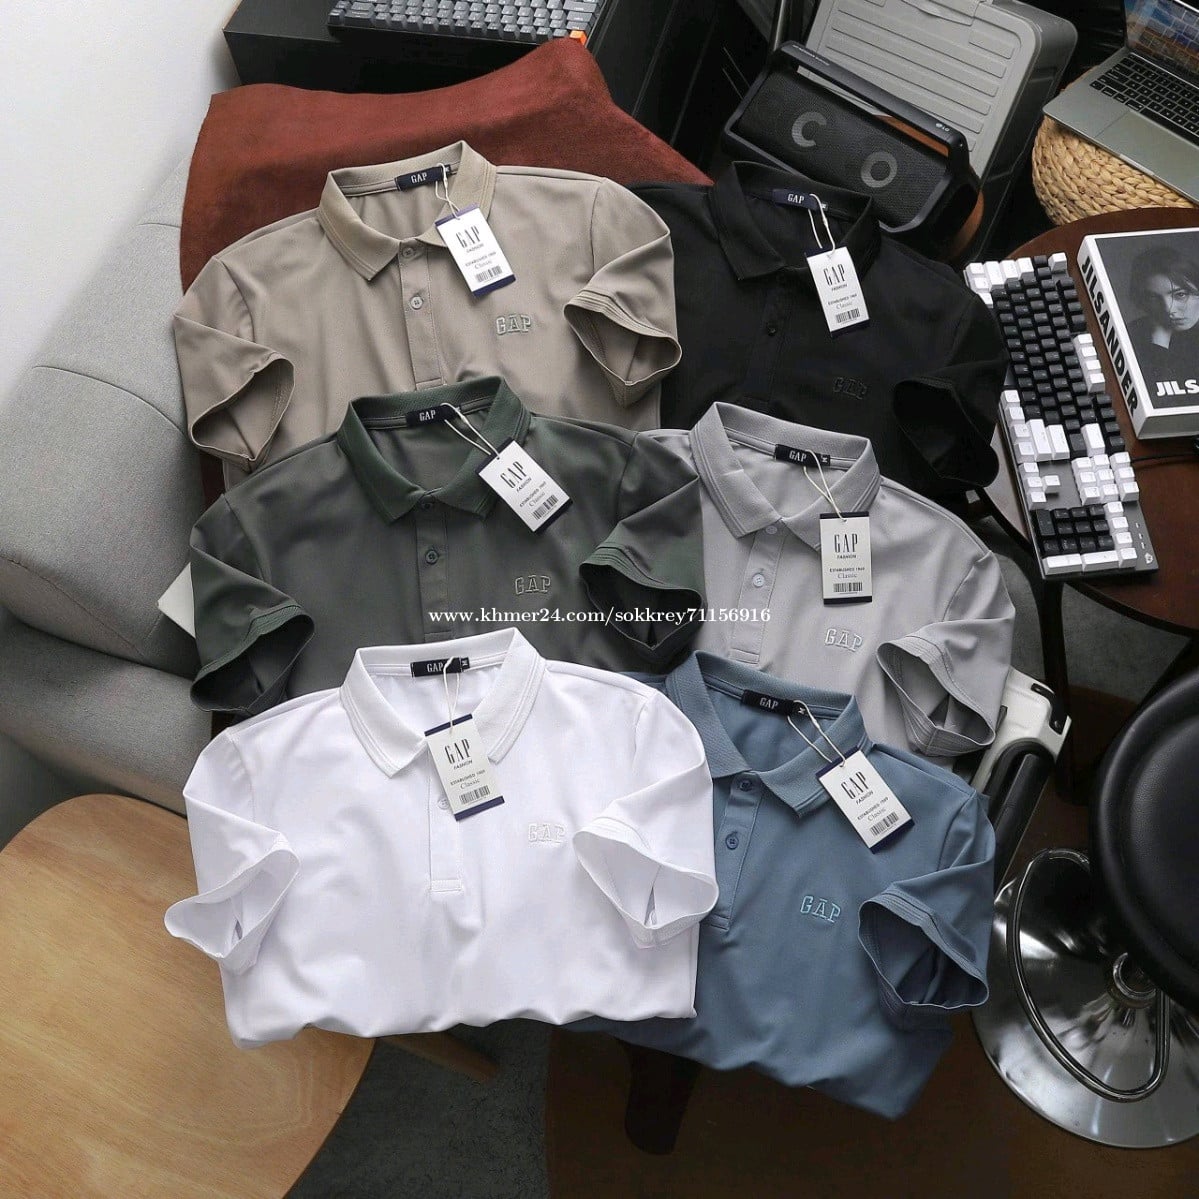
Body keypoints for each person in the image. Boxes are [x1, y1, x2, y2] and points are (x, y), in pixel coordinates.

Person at [1125, 246, 1199, 401]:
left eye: (1180, 295)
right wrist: (1159, 340)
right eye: (1154, 298)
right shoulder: (1131, 334)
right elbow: (1151, 400)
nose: (1168, 309)